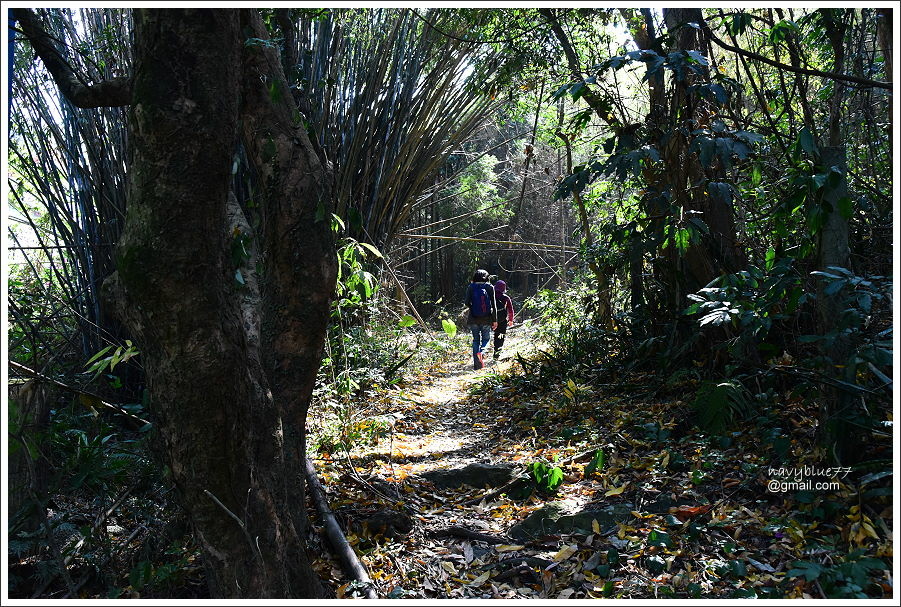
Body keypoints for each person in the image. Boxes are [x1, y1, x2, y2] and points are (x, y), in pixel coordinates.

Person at [464, 269, 497, 370]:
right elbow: (494, 304)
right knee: (486, 339)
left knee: (476, 340)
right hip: (486, 318)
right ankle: (482, 352)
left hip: (473, 318)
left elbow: (466, 302)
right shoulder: (489, 287)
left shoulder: (471, 287)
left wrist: (473, 307)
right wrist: (495, 320)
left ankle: (477, 366)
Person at [492, 279, 515, 359]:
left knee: (495, 336)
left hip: (492, 320)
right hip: (502, 321)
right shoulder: (506, 298)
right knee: (500, 337)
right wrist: (511, 320)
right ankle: (496, 354)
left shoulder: (491, 296)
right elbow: (510, 310)